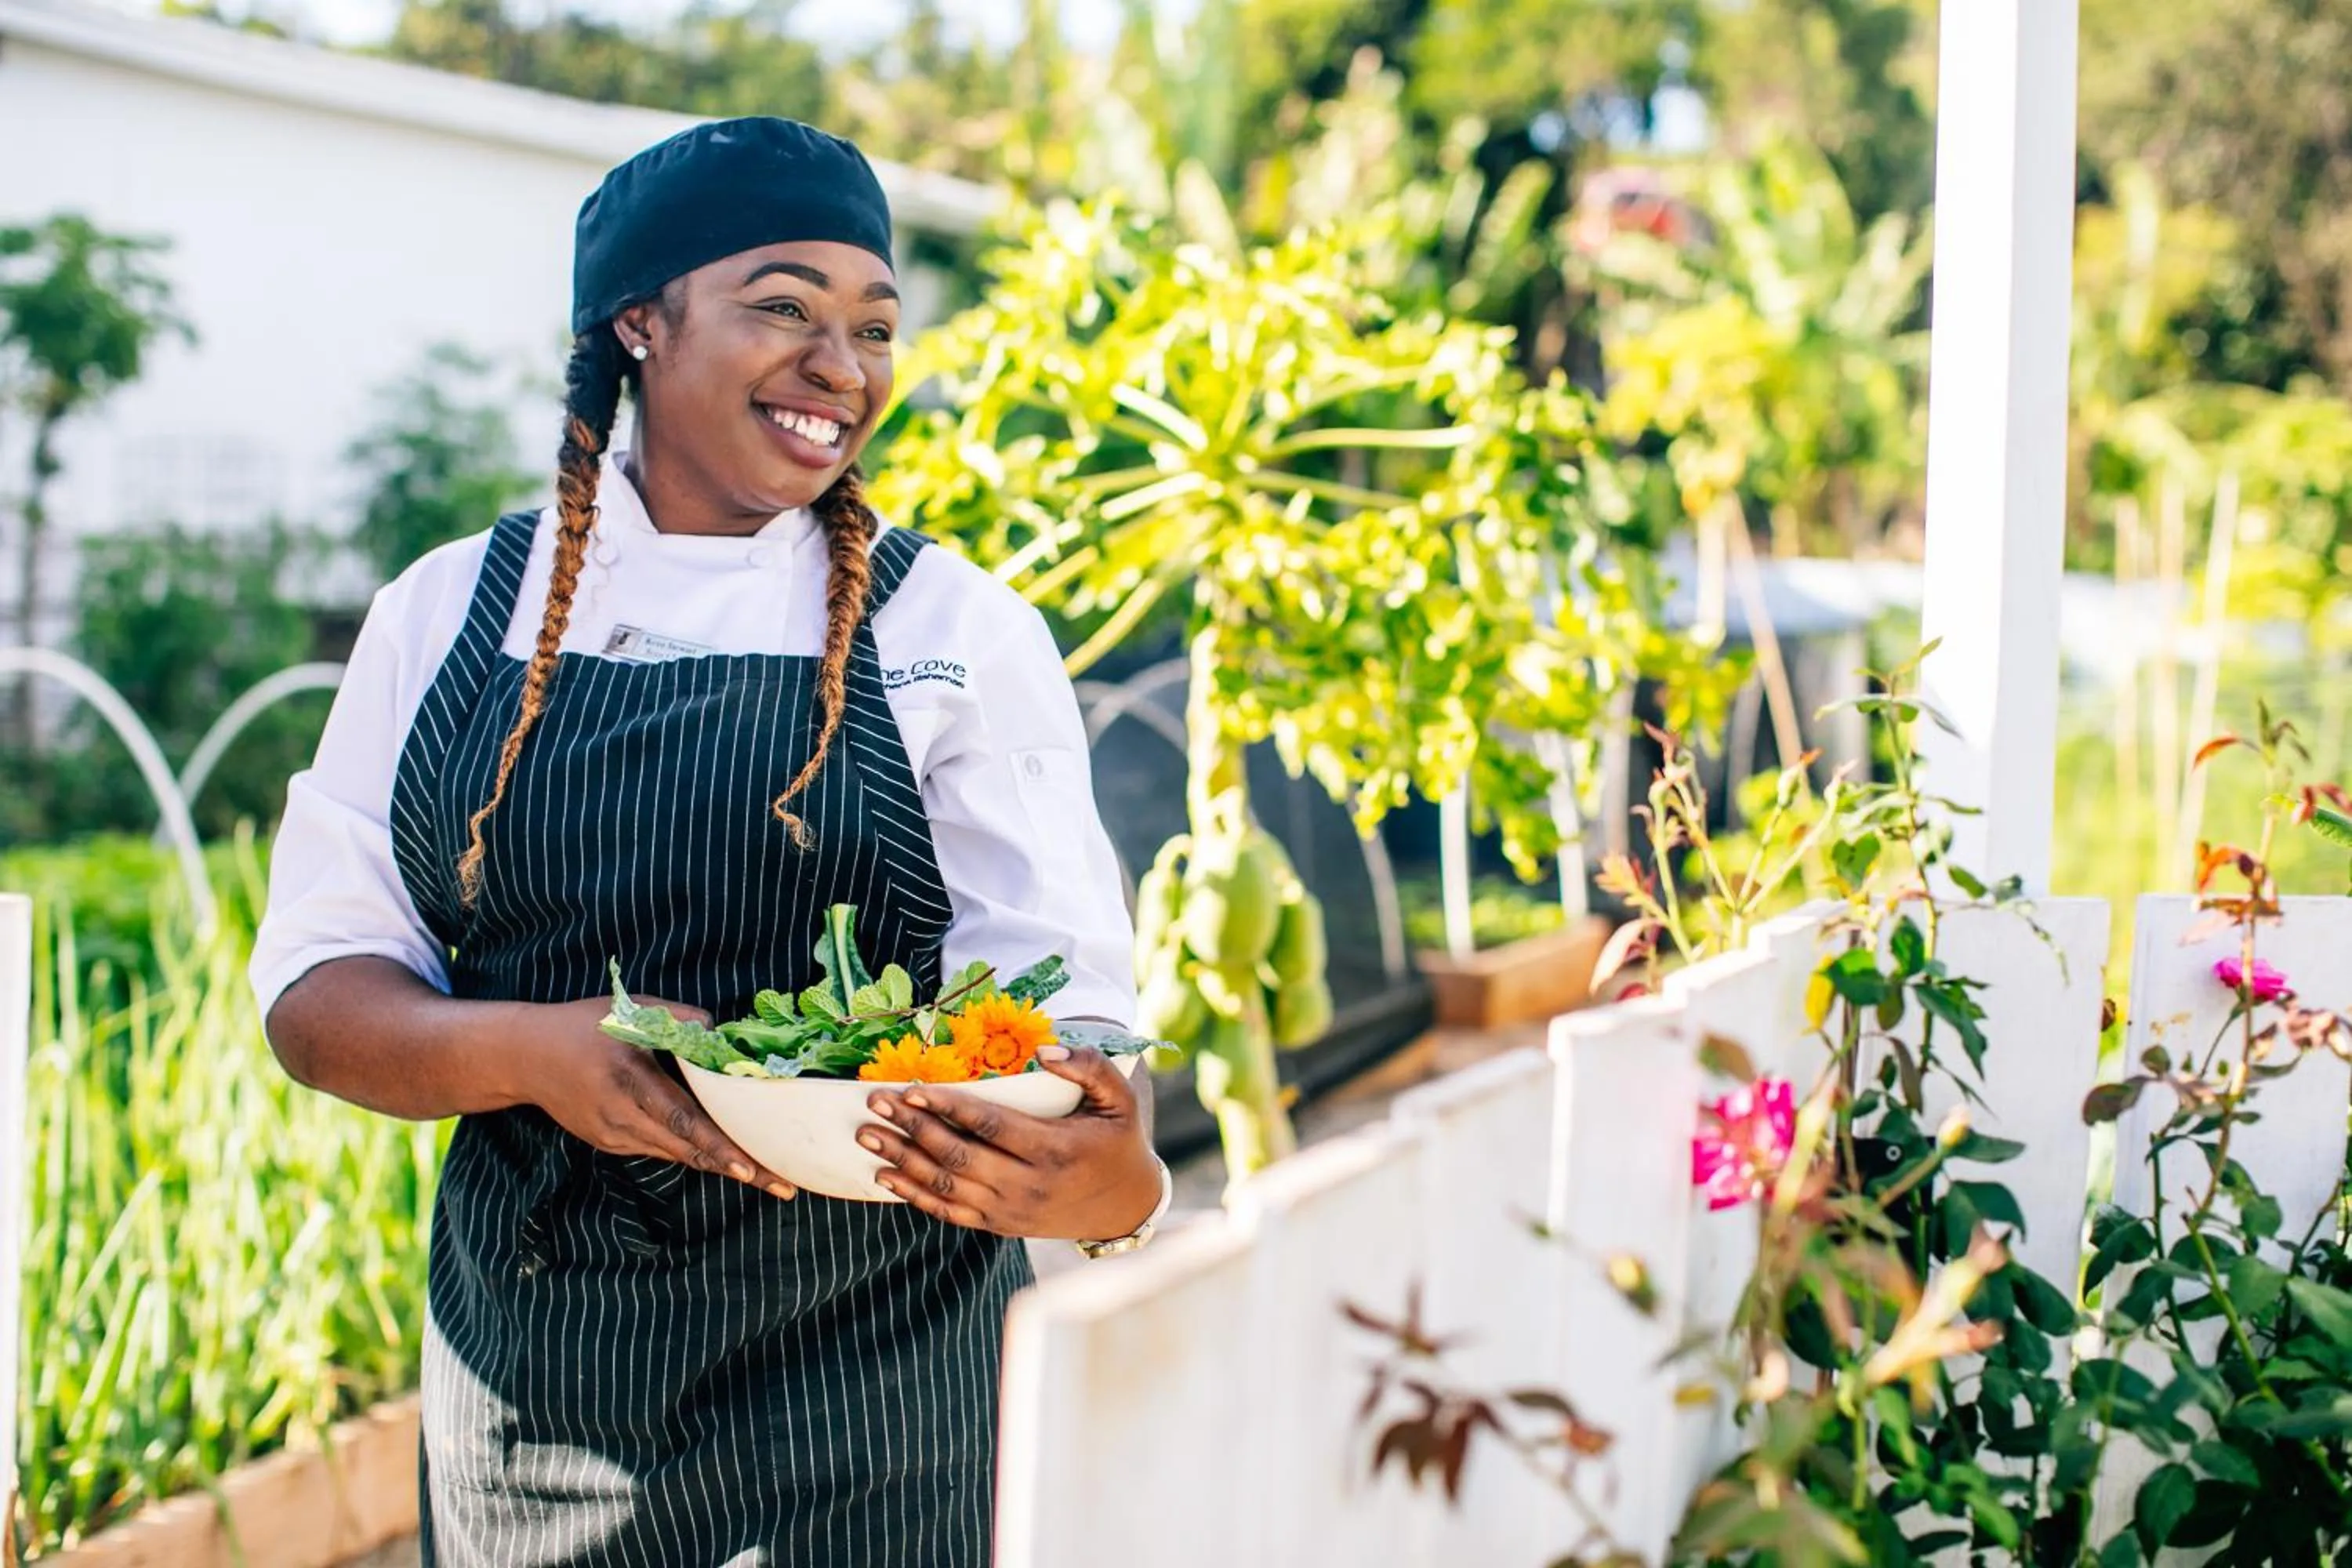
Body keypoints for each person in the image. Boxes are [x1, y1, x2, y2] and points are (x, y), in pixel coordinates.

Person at [251, 117, 1169, 1567]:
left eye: (873, 326)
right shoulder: (444, 617)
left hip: (882, 1399)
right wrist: (536, 1053)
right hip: (542, 1389)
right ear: (638, 322)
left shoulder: (955, 632)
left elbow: (1065, 1040)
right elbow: (318, 998)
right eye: (784, 307)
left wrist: (1114, 1177)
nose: (843, 367)